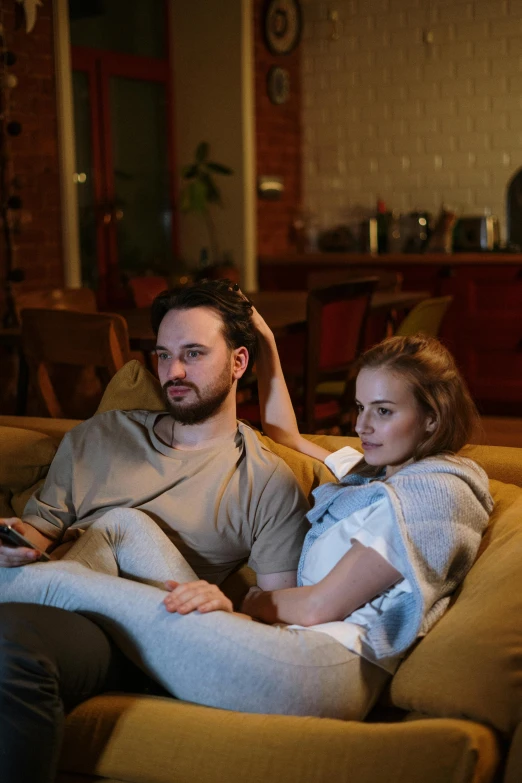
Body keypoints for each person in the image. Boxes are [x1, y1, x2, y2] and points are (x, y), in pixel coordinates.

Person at [0, 303, 494, 731]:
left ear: (432, 416)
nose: (363, 426)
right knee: (120, 525)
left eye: (383, 411)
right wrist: (266, 345)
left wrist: (237, 603)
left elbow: (320, 605)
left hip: (323, 669)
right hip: (283, 642)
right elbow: (288, 434)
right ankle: (60, 634)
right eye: (361, 407)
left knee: (64, 583)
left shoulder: (437, 491)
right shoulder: (374, 470)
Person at [0, 281, 310, 783]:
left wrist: (231, 605)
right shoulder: (100, 436)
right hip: (51, 593)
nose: (174, 372)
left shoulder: (264, 480)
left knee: (10, 640)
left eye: (193, 353)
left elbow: (281, 622)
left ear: (239, 363)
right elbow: (34, 535)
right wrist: (11, 541)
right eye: (164, 355)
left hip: (130, 638)